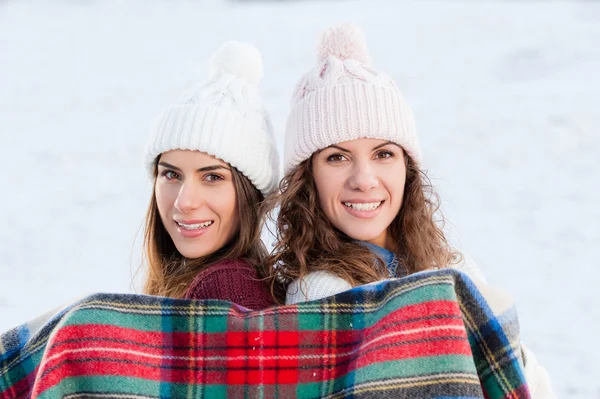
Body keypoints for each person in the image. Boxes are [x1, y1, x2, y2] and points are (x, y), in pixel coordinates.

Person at [265, 23, 555, 397]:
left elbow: (535, 384)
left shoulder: (450, 262)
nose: (364, 179)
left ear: (407, 169)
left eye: (383, 154)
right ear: (308, 178)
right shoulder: (319, 292)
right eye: (337, 157)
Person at [142, 41, 279, 310]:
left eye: (212, 177)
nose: (185, 201)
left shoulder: (227, 288)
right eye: (171, 174)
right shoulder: (208, 280)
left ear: (250, 193)